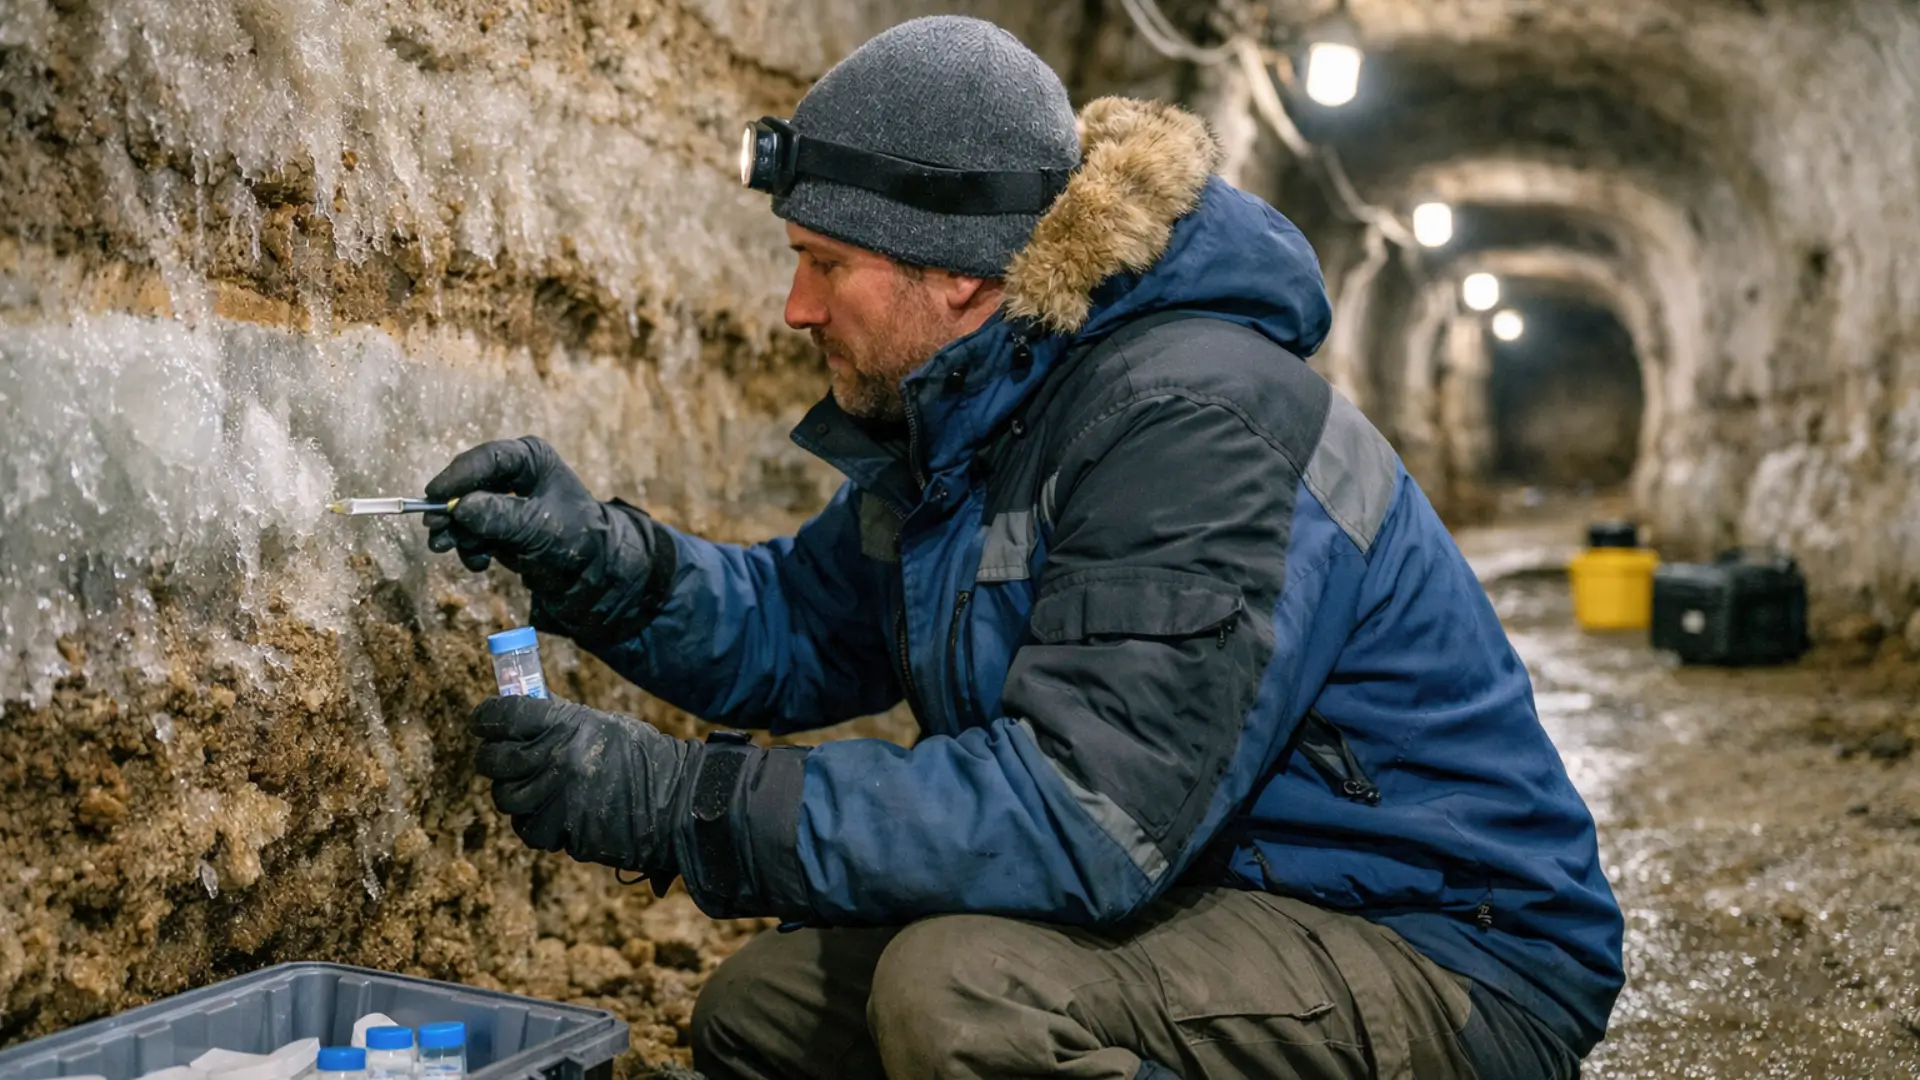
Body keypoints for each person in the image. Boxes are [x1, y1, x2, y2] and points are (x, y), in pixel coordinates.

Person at [421, 15, 1624, 1080]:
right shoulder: (991, 410)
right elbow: (802, 624)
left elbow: (1079, 817)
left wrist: (681, 802)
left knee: (960, 996)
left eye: (826, 264)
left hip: (1441, 950)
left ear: (955, 276)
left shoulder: (1193, 427)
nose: (797, 306)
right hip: (1221, 895)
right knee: (767, 1011)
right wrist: (603, 564)